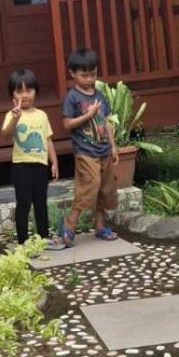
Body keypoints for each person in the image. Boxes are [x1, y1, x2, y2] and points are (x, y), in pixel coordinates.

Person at [58, 47, 119, 247]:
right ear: (72, 73)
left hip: (103, 150)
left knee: (105, 188)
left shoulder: (99, 95)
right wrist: (88, 115)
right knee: (90, 186)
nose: (90, 79)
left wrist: (113, 146)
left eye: (93, 74)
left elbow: (106, 121)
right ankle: (70, 223)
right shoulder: (72, 97)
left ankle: (100, 226)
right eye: (84, 75)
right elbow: (67, 124)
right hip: (85, 152)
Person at [2, 67, 60, 248]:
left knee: (41, 203)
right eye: (19, 91)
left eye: (29, 90)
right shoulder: (12, 115)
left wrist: (54, 162)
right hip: (21, 166)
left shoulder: (42, 115)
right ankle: (22, 241)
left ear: (36, 91)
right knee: (24, 203)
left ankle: (43, 237)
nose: (25, 95)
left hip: (41, 166)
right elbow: (6, 135)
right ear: (12, 95)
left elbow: (48, 140)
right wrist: (15, 119)